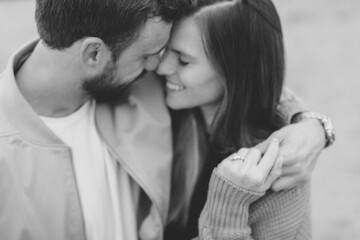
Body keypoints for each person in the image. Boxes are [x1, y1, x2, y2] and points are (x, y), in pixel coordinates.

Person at [0, 0, 333, 240]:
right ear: (94, 54)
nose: (157, 69)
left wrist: (310, 125)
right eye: (148, 56)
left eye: (175, 58)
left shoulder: (138, 84)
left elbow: (244, 75)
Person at [157, 0, 333, 239]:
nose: (161, 68)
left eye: (184, 61)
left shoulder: (279, 173)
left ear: (234, 71)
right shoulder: (168, 107)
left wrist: (229, 207)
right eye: (164, 50)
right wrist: (313, 123)